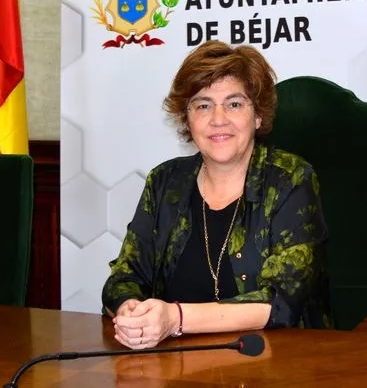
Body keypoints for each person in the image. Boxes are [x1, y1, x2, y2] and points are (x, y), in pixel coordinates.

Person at [103, 40, 331, 350]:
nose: (218, 118)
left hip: (278, 365)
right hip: (175, 366)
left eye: (234, 104)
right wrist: (132, 310)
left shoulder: (291, 180)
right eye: (203, 105)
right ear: (188, 119)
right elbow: (125, 274)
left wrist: (175, 318)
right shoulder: (165, 183)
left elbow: (282, 300)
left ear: (258, 116)